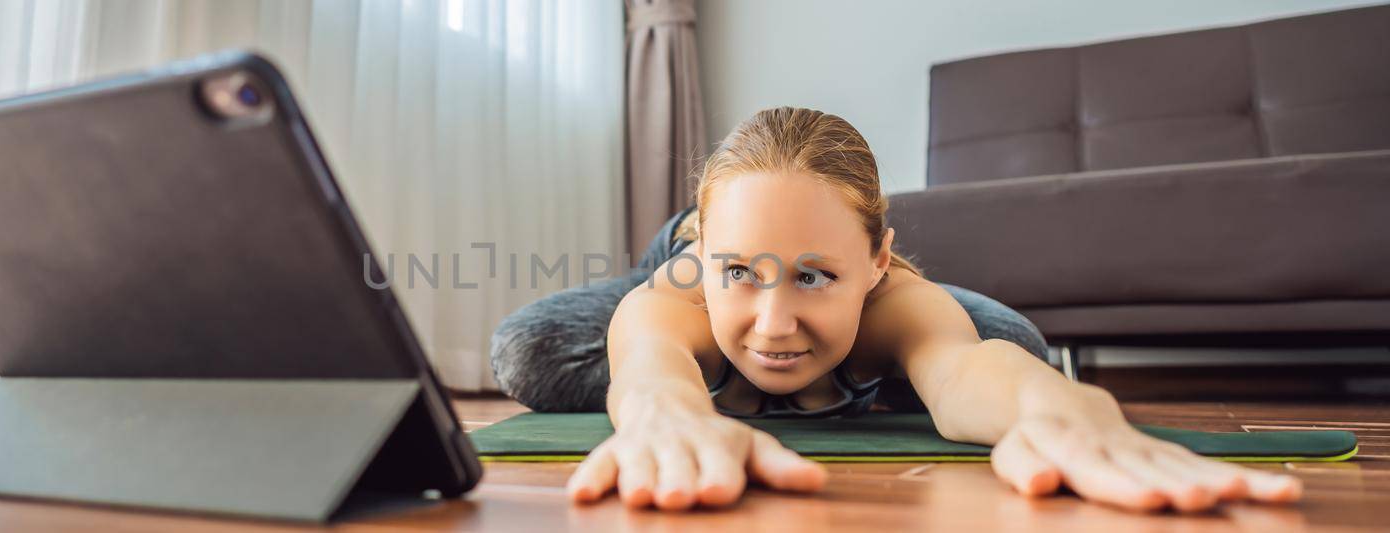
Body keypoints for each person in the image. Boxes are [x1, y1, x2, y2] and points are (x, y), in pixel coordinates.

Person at [489, 107, 1302, 512]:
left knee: (1008, 336)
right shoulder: (692, 281)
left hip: (807, 256)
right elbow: (649, 356)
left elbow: (964, 368)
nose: (772, 324)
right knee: (530, 348)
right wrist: (664, 408)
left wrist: (1063, 402)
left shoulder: (892, 299)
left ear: (877, 259)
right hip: (687, 246)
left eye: (813, 279)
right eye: (742, 276)